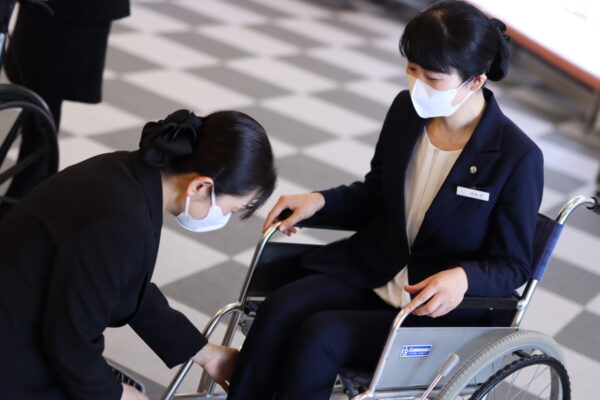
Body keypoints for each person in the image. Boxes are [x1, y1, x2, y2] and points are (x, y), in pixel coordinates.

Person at [226, 1, 544, 399]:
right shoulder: (406, 112)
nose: (417, 85)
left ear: (475, 81)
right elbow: (378, 194)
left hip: (431, 306)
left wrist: (463, 277)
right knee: (280, 307)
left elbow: (513, 264)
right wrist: (321, 202)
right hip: (376, 268)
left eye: (432, 77)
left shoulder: (517, 157)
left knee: (321, 335)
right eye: (412, 69)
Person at [0, 109, 277, 400]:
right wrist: (117, 393)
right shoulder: (122, 222)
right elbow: (70, 340)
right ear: (200, 186)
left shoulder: (128, 173)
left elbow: (127, 284)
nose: (225, 218)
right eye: (231, 209)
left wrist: (205, 352)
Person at [1, 0, 129, 214]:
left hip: (72, 11)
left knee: (46, 95)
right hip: (47, 8)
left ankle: (20, 206)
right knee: (36, 93)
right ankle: (23, 201)